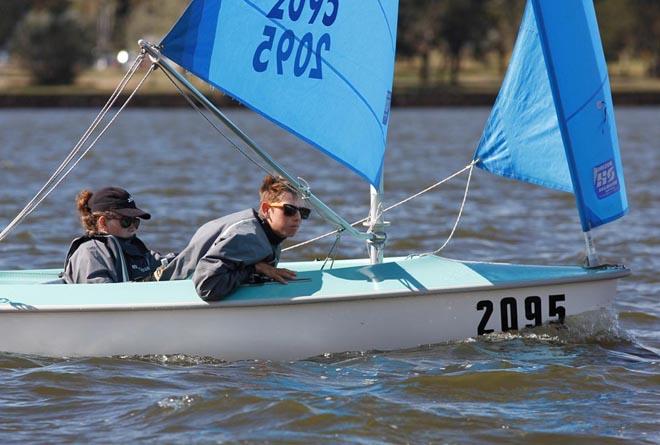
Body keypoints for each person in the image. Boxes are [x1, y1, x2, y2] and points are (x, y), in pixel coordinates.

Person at [158, 175, 310, 301]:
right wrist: (255, 269)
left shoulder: (267, 232)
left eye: (302, 212)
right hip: (169, 292)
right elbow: (207, 286)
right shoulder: (246, 236)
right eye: (289, 210)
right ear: (266, 209)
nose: (297, 218)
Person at [63, 186, 166, 284]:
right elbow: (101, 295)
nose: (133, 227)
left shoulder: (135, 248)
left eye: (135, 221)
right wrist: (149, 281)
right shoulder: (90, 253)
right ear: (103, 223)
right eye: (126, 221)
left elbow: (168, 263)